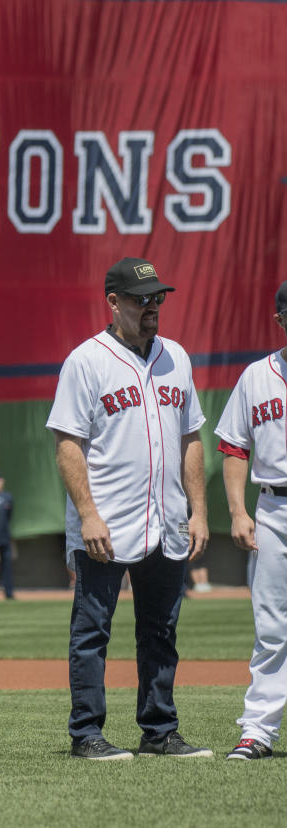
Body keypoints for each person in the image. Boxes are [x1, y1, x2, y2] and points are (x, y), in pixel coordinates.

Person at [47, 256, 211, 761]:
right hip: (107, 524)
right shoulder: (86, 360)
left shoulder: (175, 358)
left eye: (157, 298)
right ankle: (86, 734)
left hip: (166, 522)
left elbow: (191, 438)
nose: (152, 307)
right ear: (114, 302)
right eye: (142, 299)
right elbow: (68, 445)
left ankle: (160, 730)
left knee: (160, 630)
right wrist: (88, 513)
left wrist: (199, 510)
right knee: (93, 630)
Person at [214, 280, 287, 761]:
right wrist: (238, 511)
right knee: (272, 626)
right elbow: (234, 446)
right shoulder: (256, 376)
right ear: (281, 318)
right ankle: (257, 729)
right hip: (273, 508)